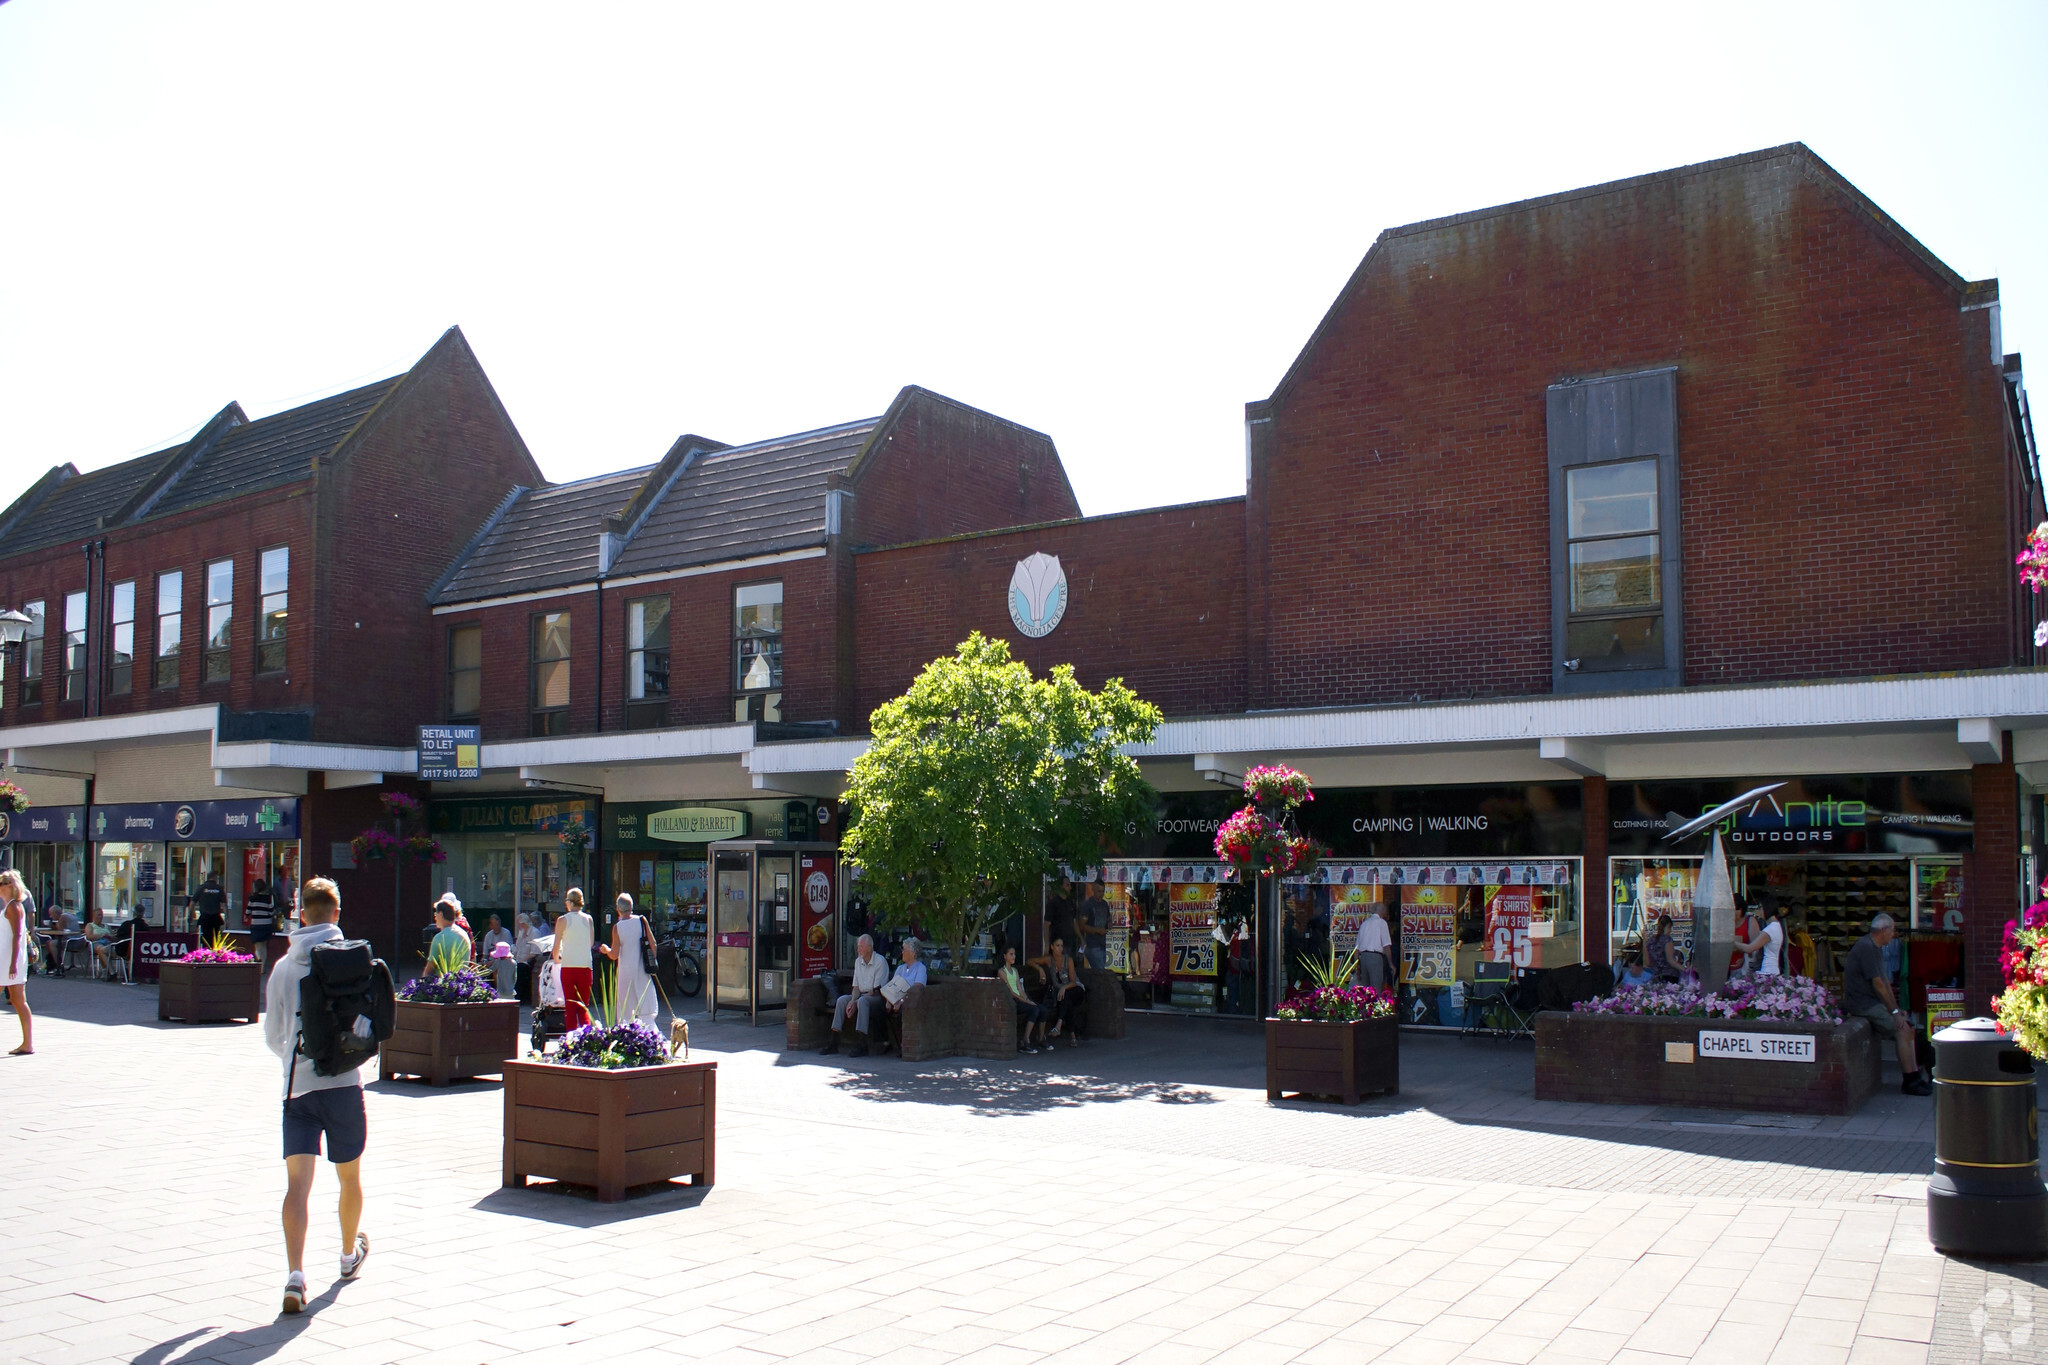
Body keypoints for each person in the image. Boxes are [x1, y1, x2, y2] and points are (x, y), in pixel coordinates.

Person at [262, 877, 370, 1313]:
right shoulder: (356, 961)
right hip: (345, 1085)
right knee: (350, 1178)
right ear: (337, 914)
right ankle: (347, 1256)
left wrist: (295, 1053)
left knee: (297, 1187)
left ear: (301, 913)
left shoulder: (284, 968)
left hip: (299, 1089)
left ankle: (294, 1276)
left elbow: (273, 1034)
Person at [1843, 913, 1931, 1096]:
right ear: (1883, 930)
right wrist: (1893, 1011)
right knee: (1901, 1030)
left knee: (1908, 1027)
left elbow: (1885, 982)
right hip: (1863, 1003)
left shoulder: (1875, 947)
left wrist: (1897, 1010)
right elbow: (1878, 984)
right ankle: (1909, 1080)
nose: (1894, 934)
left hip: (1873, 1001)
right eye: (1892, 930)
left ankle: (1915, 1075)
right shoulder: (1866, 948)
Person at [824, 933, 891, 1057]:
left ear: (869, 948)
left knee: (862, 1002)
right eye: (858, 946)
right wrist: (852, 1000)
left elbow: (876, 990)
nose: (858, 949)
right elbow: (856, 987)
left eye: (861, 946)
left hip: (877, 997)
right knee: (842, 1000)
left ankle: (862, 1044)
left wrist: (856, 1001)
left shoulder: (880, 962)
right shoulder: (858, 961)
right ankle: (833, 1041)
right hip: (861, 995)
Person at [600, 894, 658, 1022]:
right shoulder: (642, 921)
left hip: (625, 972)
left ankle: (628, 1034)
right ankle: (649, 1034)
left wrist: (605, 950)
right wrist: (652, 961)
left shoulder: (617, 928)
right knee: (646, 1007)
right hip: (642, 969)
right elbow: (653, 943)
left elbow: (614, 955)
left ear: (618, 909)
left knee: (626, 1011)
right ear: (631, 907)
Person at [551, 889, 595, 1029]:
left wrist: (557, 959)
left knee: (570, 1006)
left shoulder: (562, 920)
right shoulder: (588, 919)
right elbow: (591, 942)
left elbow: (556, 945)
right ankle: (585, 1038)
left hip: (568, 966)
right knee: (583, 1006)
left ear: (569, 902)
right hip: (585, 966)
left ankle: (570, 1039)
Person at [1, 870, 33, 1055]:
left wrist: (13, 962)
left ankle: (28, 1043)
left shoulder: (13, 907)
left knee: (19, 1001)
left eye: (2, 883)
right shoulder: (11, 906)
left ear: (10, 886)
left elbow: (17, 935)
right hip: (8, 959)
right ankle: (27, 1043)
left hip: (7, 960)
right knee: (18, 1000)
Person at [880, 939, 928, 1055]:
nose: (902, 952)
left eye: (904, 949)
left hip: (911, 1002)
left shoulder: (920, 968)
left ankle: (904, 1045)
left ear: (912, 952)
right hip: (895, 999)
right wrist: (888, 1000)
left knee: (903, 1012)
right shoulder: (900, 968)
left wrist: (901, 1001)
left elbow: (917, 989)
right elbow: (892, 986)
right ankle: (888, 1042)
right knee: (880, 1010)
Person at [999, 945, 1048, 1054]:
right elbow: (1011, 991)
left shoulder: (1015, 971)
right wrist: (1025, 1001)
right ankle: (1025, 1041)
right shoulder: (1002, 972)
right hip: (1013, 1000)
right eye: (1011, 954)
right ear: (1005, 956)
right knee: (1034, 1010)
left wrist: (1026, 998)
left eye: (1014, 954)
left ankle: (1041, 1038)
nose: (1014, 956)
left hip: (1021, 997)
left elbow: (1019, 988)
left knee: (1043, 1009)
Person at [1044, 938, 1086, 1048]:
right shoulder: (1049, 960)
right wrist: (1039, 969)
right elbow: (1031, 961)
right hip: (1063, 997)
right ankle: (1073, 1037)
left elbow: (1073, 982)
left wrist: (1063, 988)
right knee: (1068, 1004)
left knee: (1066, 996)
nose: (1060, 948)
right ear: (1052, 946)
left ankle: (1058, 1025)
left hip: (1076, 990)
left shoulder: (1068, 960)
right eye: (1057, 945)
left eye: (1061, 946)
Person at [1738, 901, 1786, 978]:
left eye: (1760, 907)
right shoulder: (1776, 926)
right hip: (1771, 969)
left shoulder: (1771, 929)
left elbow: (1750, 948)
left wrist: (1733, 942)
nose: (1758, 910)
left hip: (1768, 971)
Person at [1354, 904, 1395, 989]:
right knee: (1376, 988)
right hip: (1375, 957)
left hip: (1363, 958)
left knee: (1365, 989)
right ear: (1382, 912)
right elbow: (1386, 946)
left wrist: (1356, 966)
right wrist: (1391, 964)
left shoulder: (1364, 924)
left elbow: (1357, 949)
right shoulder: (1382, 923)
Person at [246, 879, 279, 972]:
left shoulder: (253, 898)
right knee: (264, 947)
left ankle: (258, 964)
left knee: (258, 946)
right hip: (266, 925)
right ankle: (262, 968)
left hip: (256, 925)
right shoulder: (267, 899)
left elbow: (247, 912)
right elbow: (271, 912)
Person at [1079, 881, 1110, 970]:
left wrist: (1109, 924)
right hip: (1092, 945)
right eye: (1099, 891)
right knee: (1100, 972)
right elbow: (1082, 925)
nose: (1101, 894)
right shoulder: (1088, 904)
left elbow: (1108, 918)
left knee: (1099, 971)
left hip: (1102, 943)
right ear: (1093, 890)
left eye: (1103, 891)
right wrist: (1097, 930)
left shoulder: (1104, 904)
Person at [1646, 914, 1684, 983]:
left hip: (1656, 977)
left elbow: (1648, 963)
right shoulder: (1667, 939)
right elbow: (1671, 961)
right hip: (1670, 976)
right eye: (1670, 928)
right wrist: (1685, 969)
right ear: (1668, 926)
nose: (1670, 931)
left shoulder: (1650, 940)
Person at [195, 873, 227, 945]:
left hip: (205, 917)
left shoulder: (201, 888)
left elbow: (192, 902)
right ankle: (213, 952)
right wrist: (227, 919)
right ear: (215, 877)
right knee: (215, 938)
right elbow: (224, 904)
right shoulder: (219, 888)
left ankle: (206, 952)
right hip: (215, 917)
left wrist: (189, 915)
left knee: (205, 936)